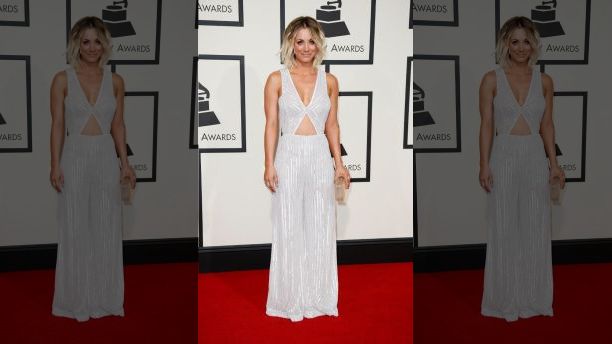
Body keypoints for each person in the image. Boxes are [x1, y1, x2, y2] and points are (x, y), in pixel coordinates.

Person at [263, 16, 350, 322]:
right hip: (288, 155)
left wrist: (339, 163)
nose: (305, 47)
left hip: (318, 156)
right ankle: (289, 300)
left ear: (319, 44)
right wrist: (269, 164)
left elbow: (332, 125)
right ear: (290, 44)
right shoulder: (276, 79)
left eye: (311, 41)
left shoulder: (329, 81)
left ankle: (319, 297)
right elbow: (272, 125)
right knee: (288, 227)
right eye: (299, 41)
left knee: (320, 226)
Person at [478, 16, 565, 321]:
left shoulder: (545, 81)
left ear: (534, 44)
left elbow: (547, 125)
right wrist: (484, 164)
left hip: (533, 157)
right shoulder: (491, 79)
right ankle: (504, 300)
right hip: (503, 155)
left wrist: (554, 164)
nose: (520, 47)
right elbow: (487, 125)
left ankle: (534, 298)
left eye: (526, 41)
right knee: (504, 228)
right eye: (514, 41)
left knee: (534, 227)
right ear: (505, 44)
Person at [49, 16, 135, 322]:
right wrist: (55, 164)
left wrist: (125, 164)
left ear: (105, 45)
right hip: (74, 155)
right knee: (74, 229)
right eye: (85, 41)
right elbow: (58, 125)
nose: (91, 48)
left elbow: (118, 125)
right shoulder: (62, 79)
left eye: (97, 41)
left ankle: (106, 298)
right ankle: (75, 301)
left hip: (104, 156)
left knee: (107, 228)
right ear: (76, 44)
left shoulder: (115, 81)